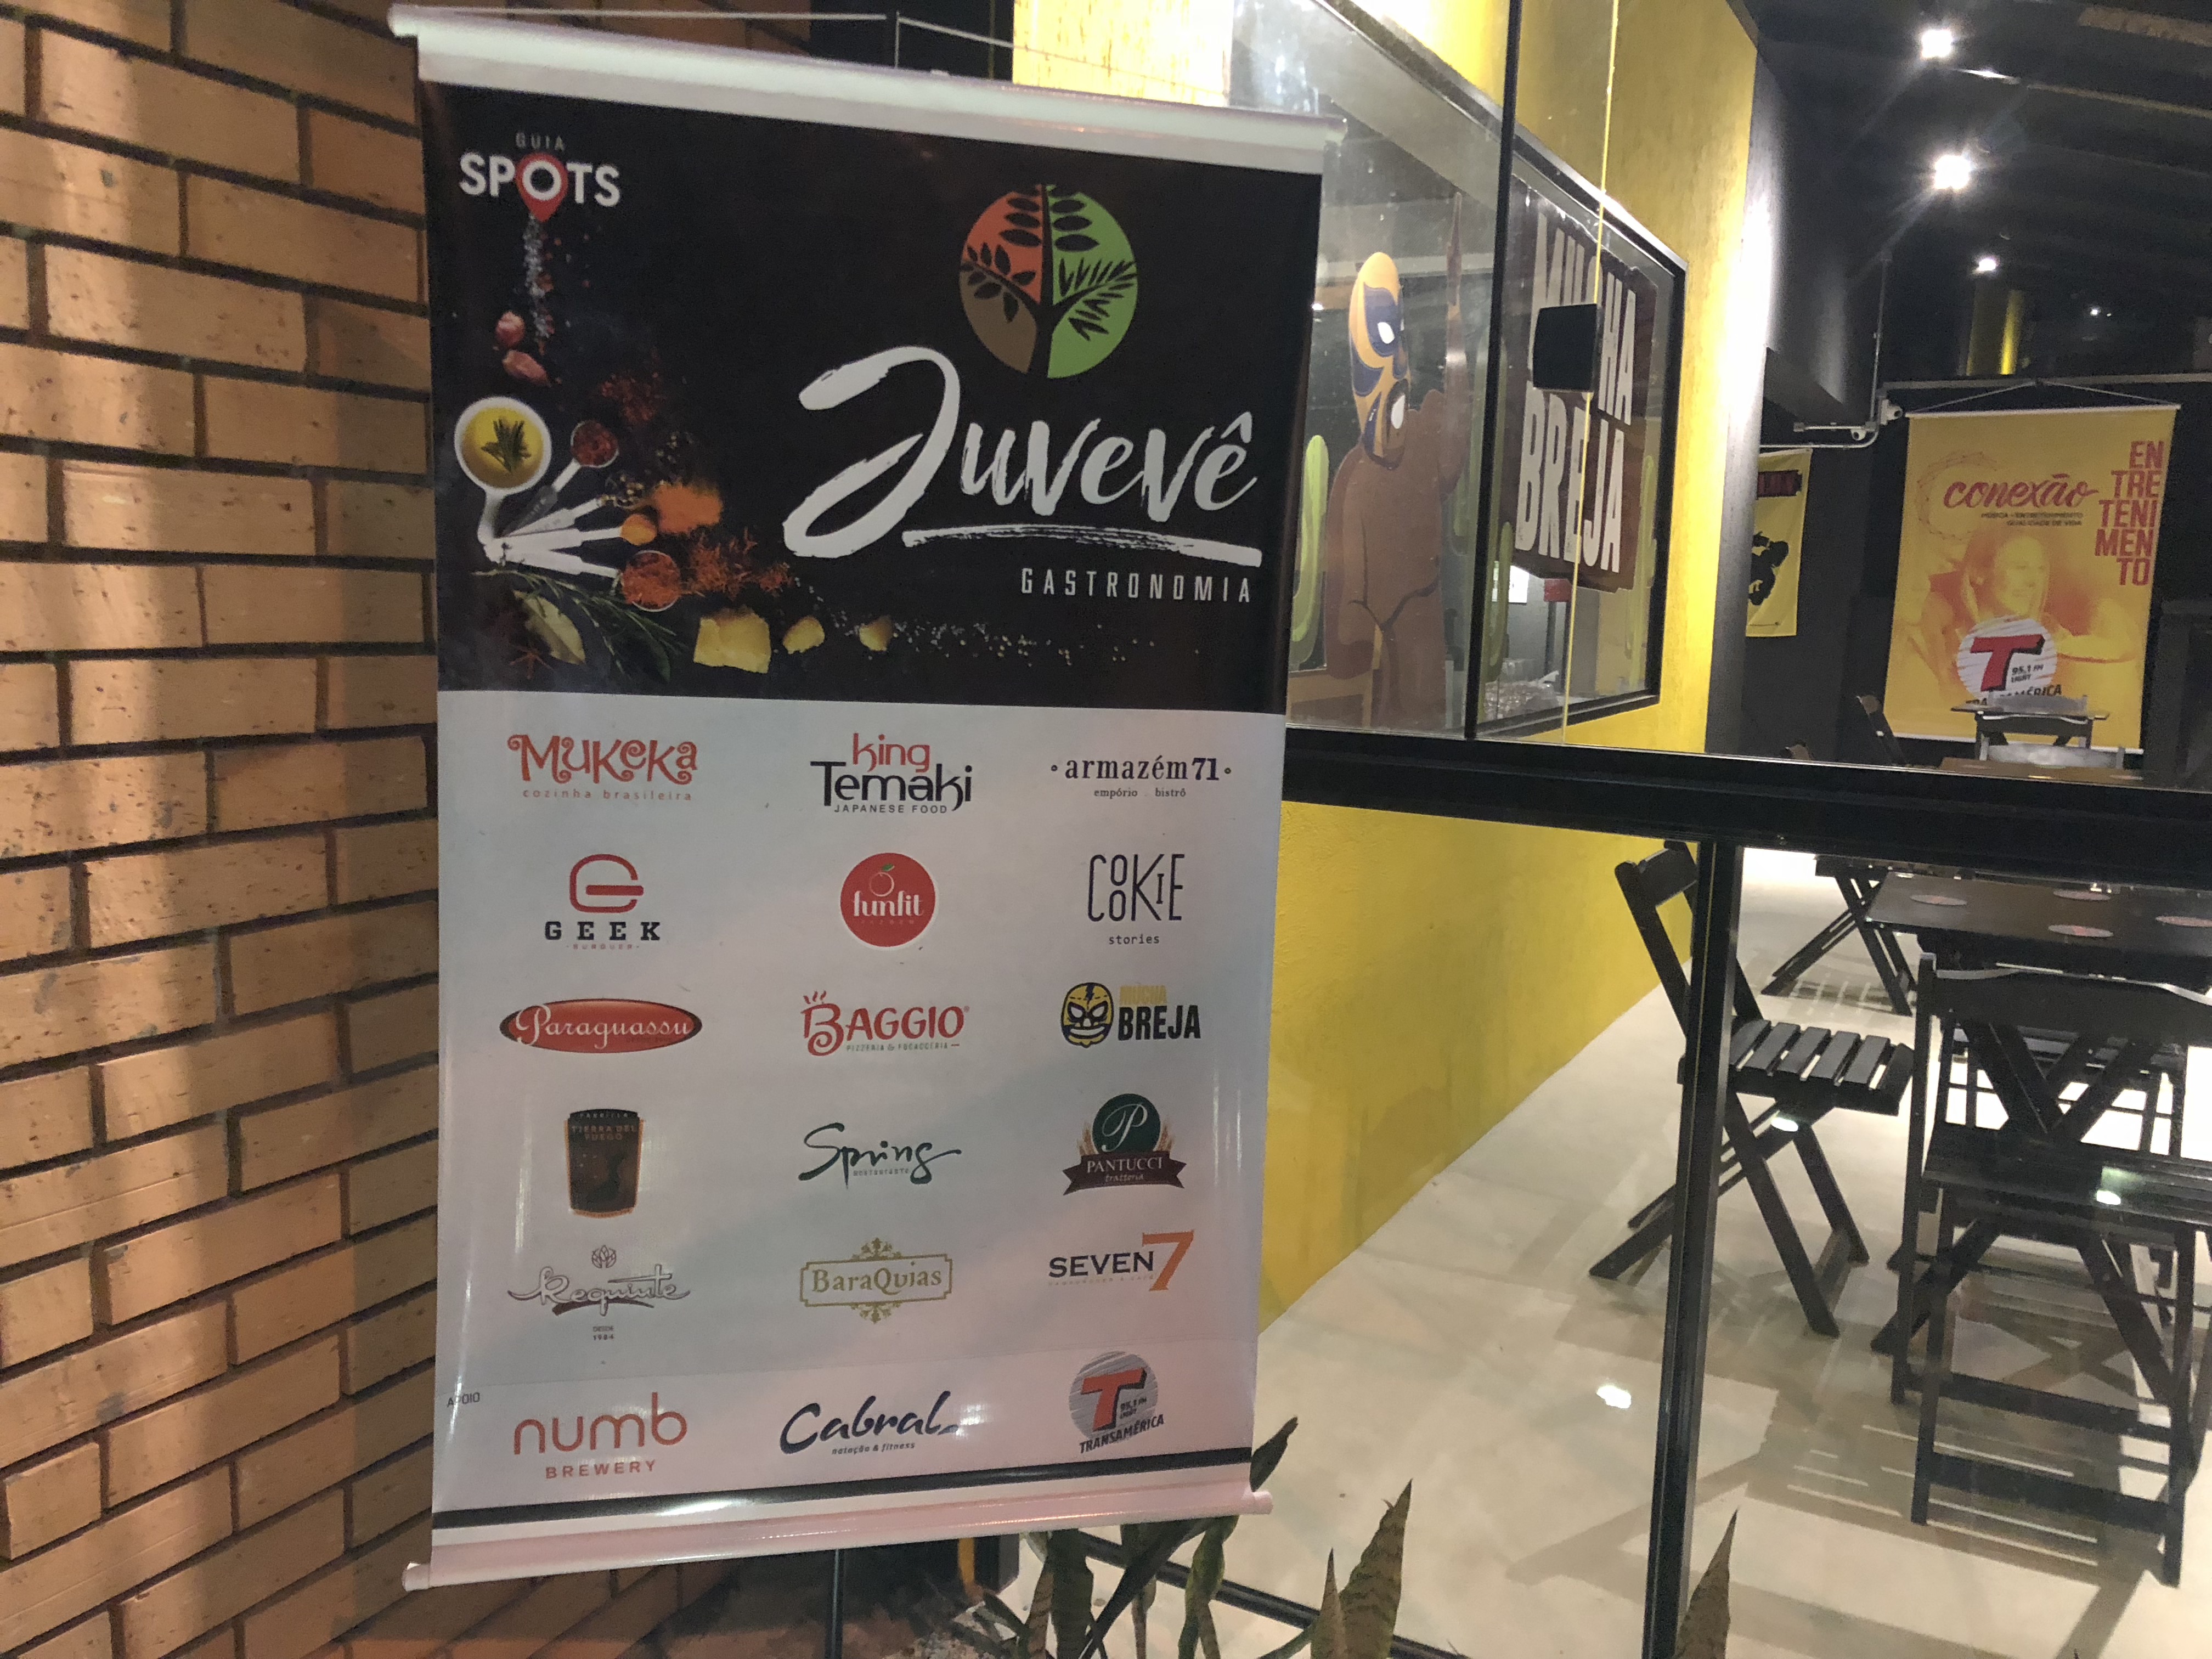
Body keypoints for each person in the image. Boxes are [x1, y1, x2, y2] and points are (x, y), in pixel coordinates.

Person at [1319, 194, 1472, 731]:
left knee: (1419, 715)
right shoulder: (1354, 478)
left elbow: (1455, 436)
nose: (1399, 359)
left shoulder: (1424, 442)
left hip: (1420, 626)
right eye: (1385, 342)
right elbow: (1348, 615)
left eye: (1398, 341)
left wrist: (1455, 310)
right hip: (1388, 646)